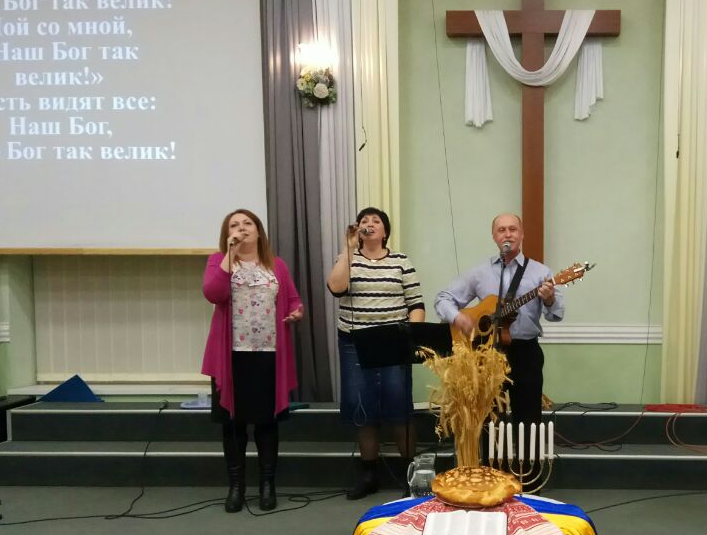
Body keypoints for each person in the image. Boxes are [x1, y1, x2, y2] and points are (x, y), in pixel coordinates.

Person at [201, 209, 304, 513]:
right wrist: (229, 255)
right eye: (234, 225)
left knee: (266, 423)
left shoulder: (277, 265)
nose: (241, 228)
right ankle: (236, 488)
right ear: (227, 234)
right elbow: (213, 293)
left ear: (259, 231)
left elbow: (294, 299)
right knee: (233, 424)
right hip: (231, 355)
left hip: (268, 354)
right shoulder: (218, 261)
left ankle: (267, 486)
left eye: (247, 223)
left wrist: (297, 311)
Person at [326, 207, 425, 500]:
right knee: (363, 408)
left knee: (399, 407)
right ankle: (368, 474)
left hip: (393, 341)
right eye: (364, 221)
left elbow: (416, 304)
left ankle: (410, 474)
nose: (369, 224)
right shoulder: (348, 258)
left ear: (385, 231)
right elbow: (336, 288)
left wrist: (411, 336)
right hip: (354, 341)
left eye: (375, 221)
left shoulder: (400, 261)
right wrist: (347, 249)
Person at [435, 213, 563, 427]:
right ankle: (490, 452)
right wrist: (458, 318)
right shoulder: (480, 272)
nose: (507, 234)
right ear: (494, 236)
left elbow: (556, 314)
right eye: (501, 230)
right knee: (488, 421)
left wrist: (549, 299)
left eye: (513, 229)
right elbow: (443, 298)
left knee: (528, 420)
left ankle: (526, 451)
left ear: (522, 234)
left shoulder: (541, 272)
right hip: (485, 353)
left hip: (525, 354)